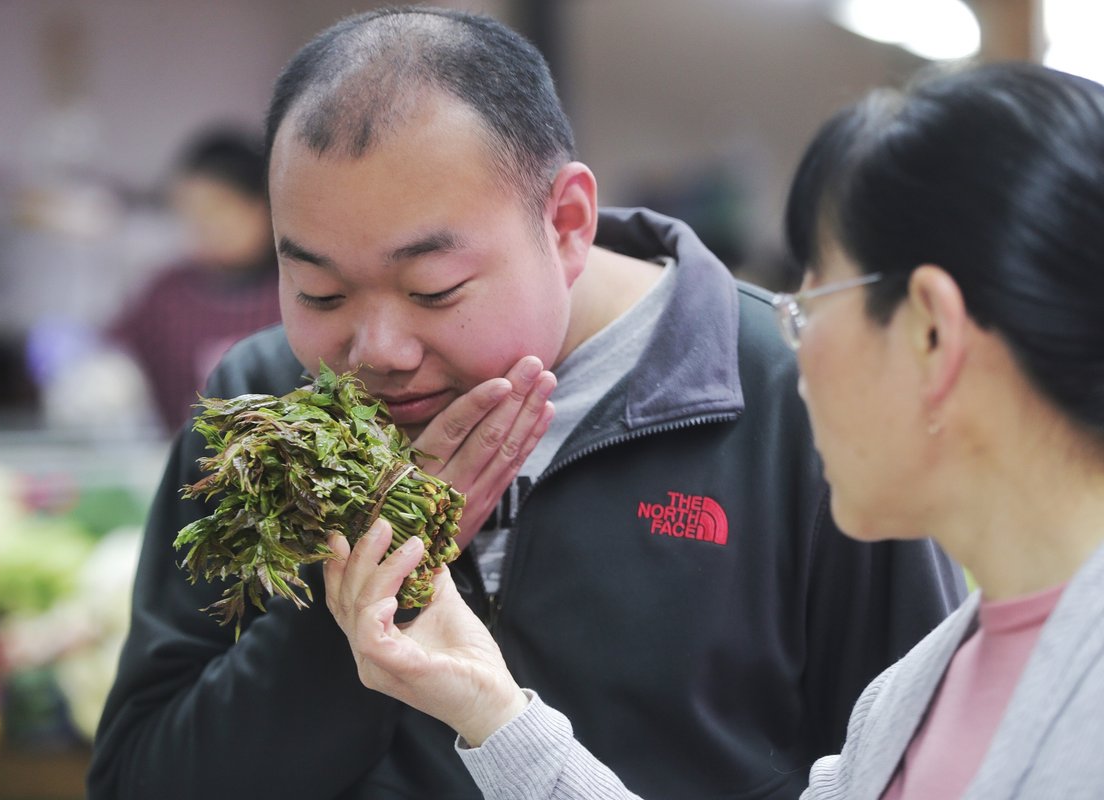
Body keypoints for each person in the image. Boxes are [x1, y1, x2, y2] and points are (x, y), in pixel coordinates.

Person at [87, 7, 964, 799]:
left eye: (434, 289)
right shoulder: (261, 409)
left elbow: (918, 768)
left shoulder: (795, 395)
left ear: (569, 222)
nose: (377, 353)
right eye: (319, 293)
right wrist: (371, 588)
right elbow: (142, 780)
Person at [325, 61, 1104, 799]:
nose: (789, 354)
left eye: (810, 307)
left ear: (931, 331)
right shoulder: (920, 688)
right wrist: (492, 712)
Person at [107, 126, 281, 432]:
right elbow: (113, 352)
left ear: (263, 205)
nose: (205, 226)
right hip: (187, 467)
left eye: (218, 208)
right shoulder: (166, 294)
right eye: (190, 212)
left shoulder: (296, 291)